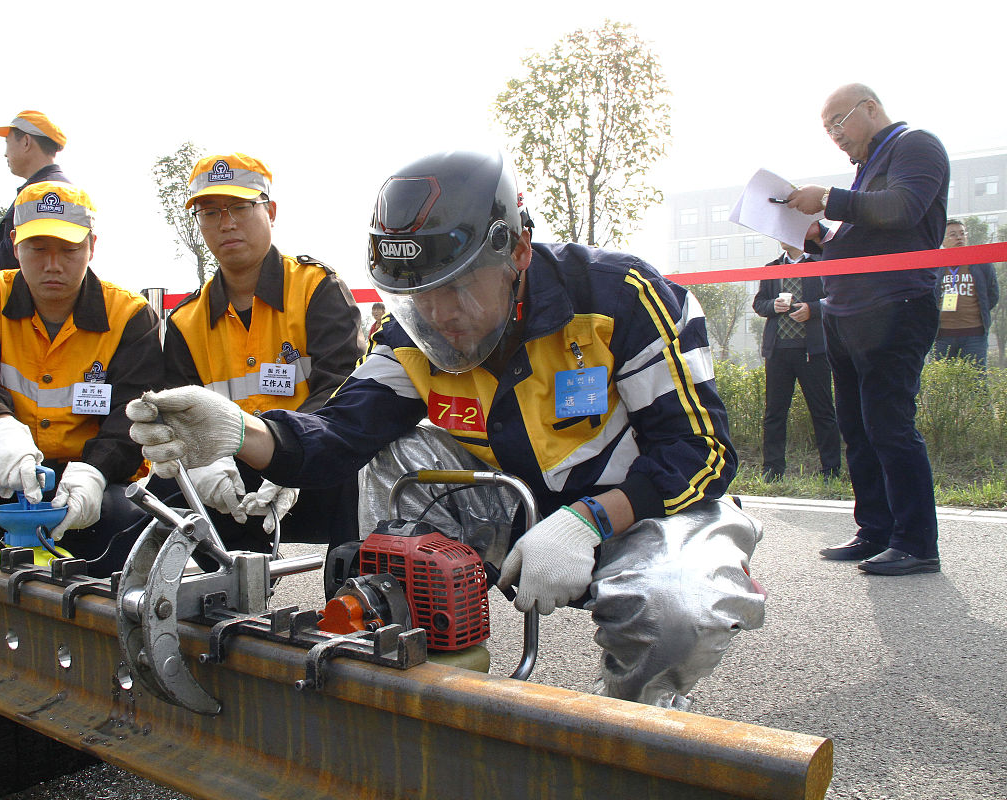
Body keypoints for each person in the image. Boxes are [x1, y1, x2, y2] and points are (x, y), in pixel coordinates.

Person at [130, 150, 766, 709]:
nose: (441, 316)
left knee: (675, 611)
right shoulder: (417, 336)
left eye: (458, 288)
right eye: (417, 297)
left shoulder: (620, 298)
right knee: (392, 457)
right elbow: (340, 437)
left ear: (516, 251)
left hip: (641, 509)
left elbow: (701, 451)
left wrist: (591, 520)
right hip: (512, 507)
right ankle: (427, 676)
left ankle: (639, 724)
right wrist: (241, 434)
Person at [0, 181, 163, 578]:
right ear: (15, 245)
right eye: (38, 249)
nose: (53, 265)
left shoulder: (129, 316)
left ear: (92, 246)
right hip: (4, 463)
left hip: (86, 478)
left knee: (129, 525)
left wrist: (96, 471)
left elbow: (133, 412)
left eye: (69, 250)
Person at [157, 153, 363, 555]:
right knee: (165, 491)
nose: (226, 223)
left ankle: (352, 603)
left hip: (313, 465)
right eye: (210, 211)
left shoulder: (315, 288)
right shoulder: (185, 321)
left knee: (361, 469)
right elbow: (177, 411)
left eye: (239, 207)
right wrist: (202, 464)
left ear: (270, 210)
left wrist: (293, 447)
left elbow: (342, 387)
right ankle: (223, 599)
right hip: (229, 473)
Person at [787, 84, 947, 576]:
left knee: (889, 424)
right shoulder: (865, 172)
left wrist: (831, 200)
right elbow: (862, 235)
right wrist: (816, 238)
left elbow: (902, 209)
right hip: (847, 312)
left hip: (895, 306)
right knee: (856, 427)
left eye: (839, 122)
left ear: (871, 108)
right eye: (827, 129)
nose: (835, 136)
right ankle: (875, 528)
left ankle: (916, 540)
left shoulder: (915, 146)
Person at [751, 243, 841, 481]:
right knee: (774, 413)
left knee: (822, 411)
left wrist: (812, 309)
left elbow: (836, 297)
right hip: (778, 350)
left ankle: (831, 471)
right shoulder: (772, 268)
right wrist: (773, 305)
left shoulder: (821, 263)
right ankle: (772, 471)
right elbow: (759, 303)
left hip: (812, 351)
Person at [0, 111, 70, 275]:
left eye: (7, 142)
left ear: (26, 142)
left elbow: (33, 252)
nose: (5, 153)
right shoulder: (47, 187)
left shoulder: (48, 191)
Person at [932, 219, 998, 368]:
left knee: (977, 383)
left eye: (962, 234)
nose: (959, 238)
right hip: (942, 335)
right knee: (941, 384)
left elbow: (992, 295)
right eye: (953, 235)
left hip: (974, 334)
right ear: (942, 240)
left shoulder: (981, 262)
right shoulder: (934, 265)